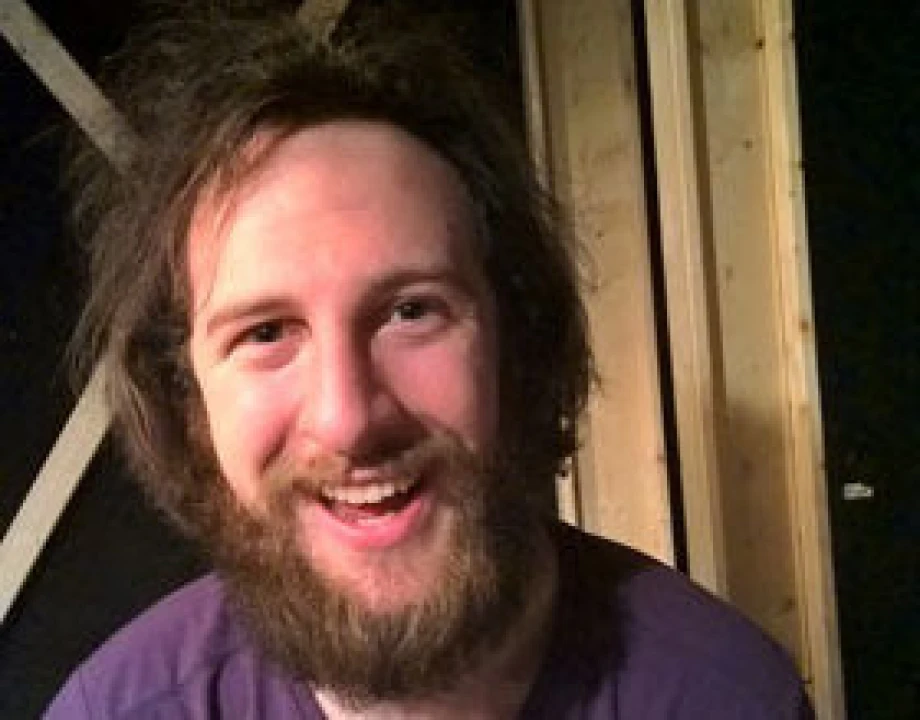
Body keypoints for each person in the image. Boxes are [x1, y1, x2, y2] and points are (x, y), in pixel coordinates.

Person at [46, 3, 814, 718]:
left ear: (519, 341)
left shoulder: (725, 698)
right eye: (266, 332)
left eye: (412, 312)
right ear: (188, 399)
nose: (347, 419)